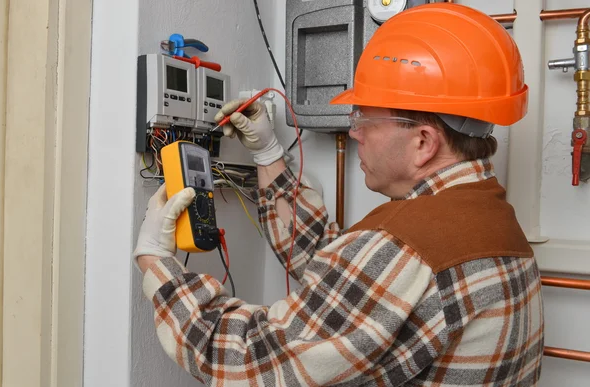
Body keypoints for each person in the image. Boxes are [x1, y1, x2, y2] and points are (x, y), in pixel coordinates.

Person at [134, 3, 544, 386]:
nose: (354, 132)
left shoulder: (405, 247)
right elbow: (340, 272)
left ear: (423, 142)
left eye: (366, 118)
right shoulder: (489, 220)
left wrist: (157, 260)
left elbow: (250, 358)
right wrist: (268, 153)